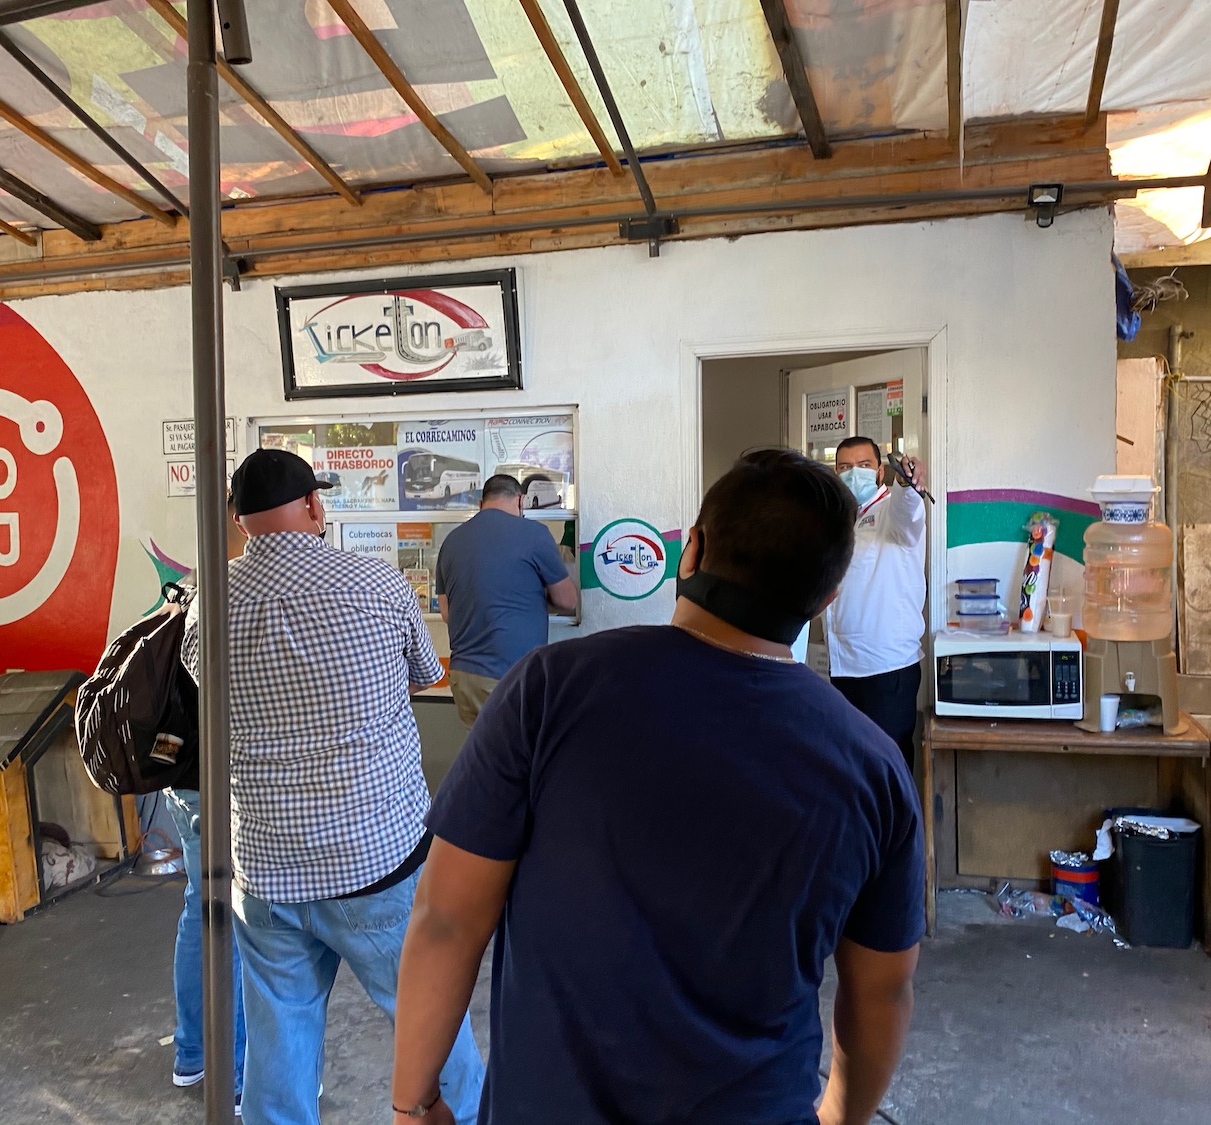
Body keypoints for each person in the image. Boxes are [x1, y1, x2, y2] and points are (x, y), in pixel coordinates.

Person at [392, 449, 925, 1125]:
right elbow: (884, 990)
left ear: (692, 549)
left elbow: (446, 917)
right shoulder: (873, 767)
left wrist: (415, 1101)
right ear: (829, 594)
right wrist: (840, 1118)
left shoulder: (551, 689)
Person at [182, 448, 483, 1125]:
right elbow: (424, 672)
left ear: (237, 519)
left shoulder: (210, 604)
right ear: (315, 505)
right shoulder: (376, 584)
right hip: (373, 855)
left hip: (264, 865)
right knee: (428, 1014)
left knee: (277, 1040)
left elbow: (209, 689)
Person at [164, 494, 249, 1101]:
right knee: (242, 921)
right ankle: (242, 1075)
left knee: (201, 907)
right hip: (225, 786)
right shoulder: (235, 599)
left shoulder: (186, 596)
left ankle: (192, 1053)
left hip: (183, 781)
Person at [434, 473, 578, 727]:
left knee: (483, 760)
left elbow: (447, 613)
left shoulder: (452, 541)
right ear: (521, 500)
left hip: (463, 677)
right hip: (510, 676)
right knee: (521, 760)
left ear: (481, 504)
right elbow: (567, 600)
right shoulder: (535, 534)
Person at [825, 437, 928, 768]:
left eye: (863, 466)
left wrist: (906, 484)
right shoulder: (838, 521)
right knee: (850, 766)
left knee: (886, 768)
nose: (853, 473)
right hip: (843, 669)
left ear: (880, 472)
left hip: (887, 671)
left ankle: (899, 822)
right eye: (844, 467)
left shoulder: (891, 513)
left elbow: (907, 508)